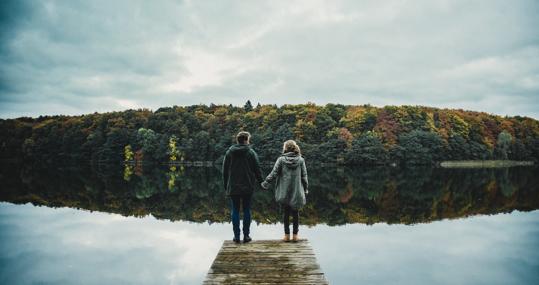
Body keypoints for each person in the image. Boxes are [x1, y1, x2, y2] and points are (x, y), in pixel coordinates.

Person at [261, 140, 308, 242]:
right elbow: (304, 176)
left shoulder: (281, 160)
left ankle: (286, 236)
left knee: (286, 213)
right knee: (296, 213)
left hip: (284, 191)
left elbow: (274, 173)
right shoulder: (300, 160)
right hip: (297, 191)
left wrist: (266, 182)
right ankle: (295, 236)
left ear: (285, 148)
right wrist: (306, 188)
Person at [222, 131, 264, 243]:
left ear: (238, 140)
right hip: (247, 186)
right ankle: (246, 236)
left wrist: (226, 186)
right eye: (248, 139)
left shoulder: (229, 152)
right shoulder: (251, 152)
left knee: (235, 210)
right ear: (246, 140)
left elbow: (224, 171)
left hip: (233, 186)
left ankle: (236, 237)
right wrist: (262, 182)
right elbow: (257, 169)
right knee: (246, 210)